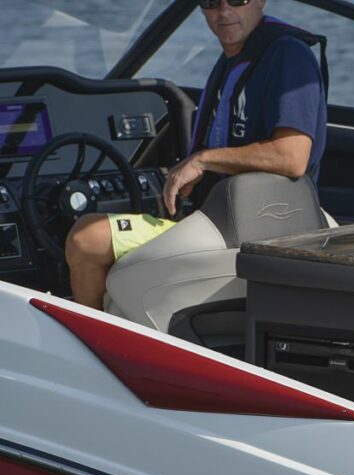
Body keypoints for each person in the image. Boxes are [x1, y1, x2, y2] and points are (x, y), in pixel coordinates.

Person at [63, 0, 327, 309]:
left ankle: (96, 355)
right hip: (222, 219)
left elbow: (292, 157)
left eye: (237, 0)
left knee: (86, 238)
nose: (224, 12)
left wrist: (202, 160)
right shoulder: (235, 59)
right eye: (211, 2)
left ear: (260, 1)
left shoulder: (287, 55)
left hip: (252, 230)